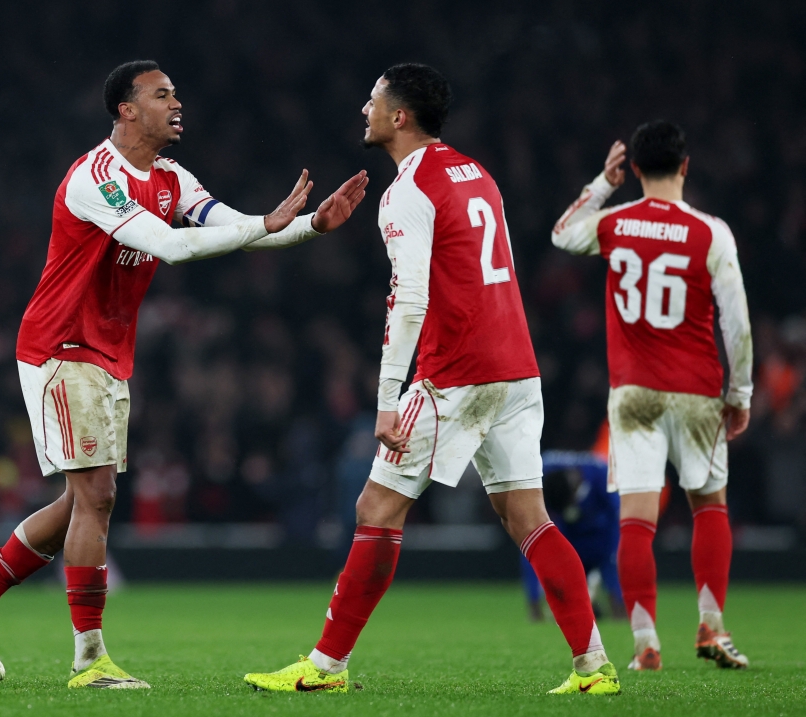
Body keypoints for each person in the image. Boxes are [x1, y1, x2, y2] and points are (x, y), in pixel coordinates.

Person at [0, 59, 368, 689]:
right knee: (97, 497)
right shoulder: (95, 178)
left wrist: (309, 227)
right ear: (127, 110)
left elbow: (235, 229)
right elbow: (170, 245)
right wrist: (266, 224)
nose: (176, 103)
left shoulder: (171, 177)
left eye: (176, 94)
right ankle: (89, 661)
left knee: (82, 500)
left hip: (108, 352)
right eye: (162, 95)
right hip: (61, 346)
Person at [243, 63, 620, 696]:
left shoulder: (407, 191)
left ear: (399, 116)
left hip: (457, 374)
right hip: (516, 368)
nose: (364, 109)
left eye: (373, 100)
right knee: (529, 517)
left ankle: (326, 667)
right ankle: (594, 667)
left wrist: (387, 400)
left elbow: (409, 297)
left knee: (376, 507)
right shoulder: (478, 173)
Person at [551, 121, 753, 671]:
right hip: (696, 391)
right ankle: (711, 627)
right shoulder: (711, 233)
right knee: (709, 505)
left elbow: (562, 233)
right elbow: (736, 322)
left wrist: (603, 183)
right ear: (686, 166)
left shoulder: (615, 223)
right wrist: (740, 393)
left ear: (636, 168)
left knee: (636, 521)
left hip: (633, 393)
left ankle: (645, 644)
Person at [520, 451, 625, 622]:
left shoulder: (601, 475)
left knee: (612, 563)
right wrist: (534, 601)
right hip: (564, 535)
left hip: (600, 538)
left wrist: (616, 593)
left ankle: (616, 608)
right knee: (532, 545)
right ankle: (542, 607)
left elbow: (617, 520)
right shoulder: (538, 472)